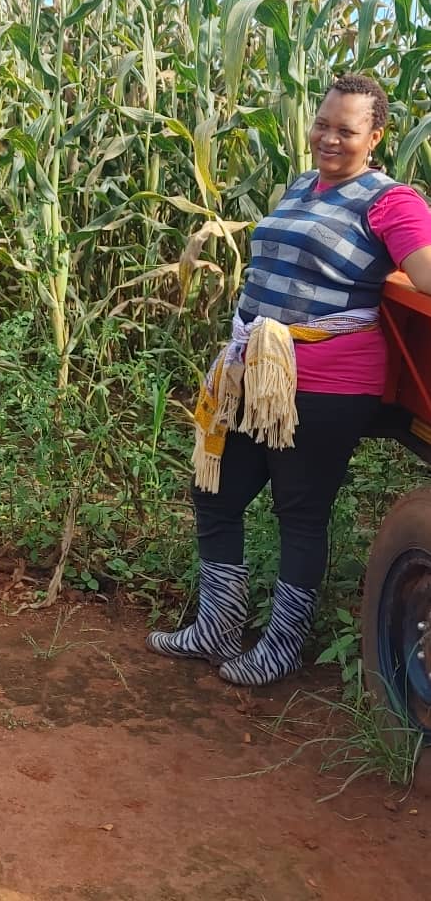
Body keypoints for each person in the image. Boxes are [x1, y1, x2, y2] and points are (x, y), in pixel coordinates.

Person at [147, 74, 431, 687]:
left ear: (375, 137)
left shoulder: (391, 201)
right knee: (216, 491)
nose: (329, 138)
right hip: (255, 371)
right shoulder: (304, 184)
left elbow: (425, 272)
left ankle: (282, 645)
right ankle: (217, 626)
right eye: (322, 124)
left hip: (328, 381)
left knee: (299, 512)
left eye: (346, 130)